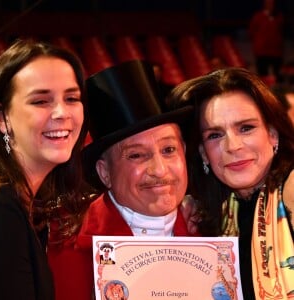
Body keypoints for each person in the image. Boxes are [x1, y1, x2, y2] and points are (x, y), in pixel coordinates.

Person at [47, 59, 197, 300]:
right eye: (136, 155)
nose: (159, 170)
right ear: (105, 172)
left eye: (169, 150)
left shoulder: (216, 229)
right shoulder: (59, 244)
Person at [166, 67, 294, 299]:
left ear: (273, 134)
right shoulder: (208, 215)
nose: (233, 146)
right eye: (214, 135)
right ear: (204, 153)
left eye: (246, 128)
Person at [0, 39, 92, 299]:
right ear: (2, 119)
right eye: (40, 101)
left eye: (72, 98)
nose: (62, 113)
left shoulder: (24, 203)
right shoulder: (0, 207)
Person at [249, 0, 284, 83]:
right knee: (263, 75)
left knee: (277, 75)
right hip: (262, 51)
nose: (271, 5)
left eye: (272, 3)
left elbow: (281, 31)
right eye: (269, 3)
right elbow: (252, 31)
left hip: (276, 51)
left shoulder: (279, 16)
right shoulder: (258, 16)